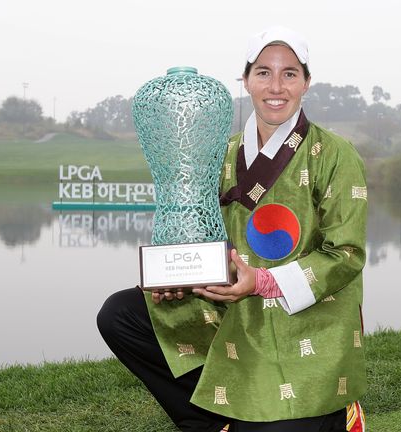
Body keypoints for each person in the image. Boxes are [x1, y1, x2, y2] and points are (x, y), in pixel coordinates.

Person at [97, 25, 368, 432]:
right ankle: (212, 420)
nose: (276, 86)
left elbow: (346, 254)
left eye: (289, 73)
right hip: (228, 304)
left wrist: (262, 281)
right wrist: (178, 278)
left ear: (306, 83)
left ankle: (331, 415)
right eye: (263, 72)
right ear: (245, 80)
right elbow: (202, 236)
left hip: (301, 317)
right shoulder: (222, 152)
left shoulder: (334, 153)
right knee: (120, 314)